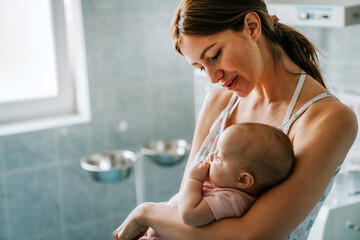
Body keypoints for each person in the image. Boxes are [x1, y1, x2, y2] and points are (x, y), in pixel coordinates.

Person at [113, 0, 358, 239]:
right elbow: (188, 209)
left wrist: (146, 213)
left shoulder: (328, 119)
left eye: (214, 56)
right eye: (200, 67)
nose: (212, 77)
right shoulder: (219, 103)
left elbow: (251, 235)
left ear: (252, 26)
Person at [139, 122, 294, 240]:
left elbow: (189, 215)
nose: (211, 155)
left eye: (219, 157)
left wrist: (194, 179)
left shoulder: (230, 200)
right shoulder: (225, 190)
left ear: (243, 180)